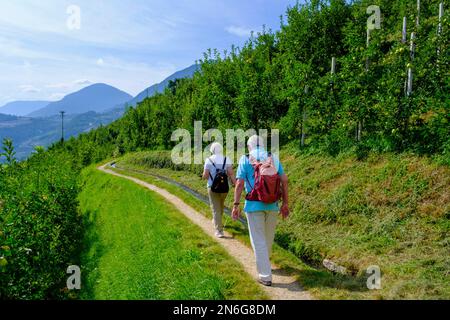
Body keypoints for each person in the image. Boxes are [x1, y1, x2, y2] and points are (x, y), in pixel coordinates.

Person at [232, 135, 290, 286]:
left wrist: (236, 204)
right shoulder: (273, 157)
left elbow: (239, 184)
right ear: (263, 145)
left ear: (249, 146)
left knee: (258, 240)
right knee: (268, 238)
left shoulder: (245, 158)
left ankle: (265, 276)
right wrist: (285, 203)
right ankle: (266, 263)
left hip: (253, 205)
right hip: (273, 204)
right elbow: (284, 180)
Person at [202, 142, 236, 238]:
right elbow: (231, 173)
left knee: (215, 208)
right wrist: (236, 184)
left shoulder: (208, 160)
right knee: (220, 206)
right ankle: (217, 221)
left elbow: (205, 175)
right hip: (224, 188)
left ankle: (219, 231)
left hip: (212, 187)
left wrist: (204, 176)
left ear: (212, 150)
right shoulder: (226, 159)